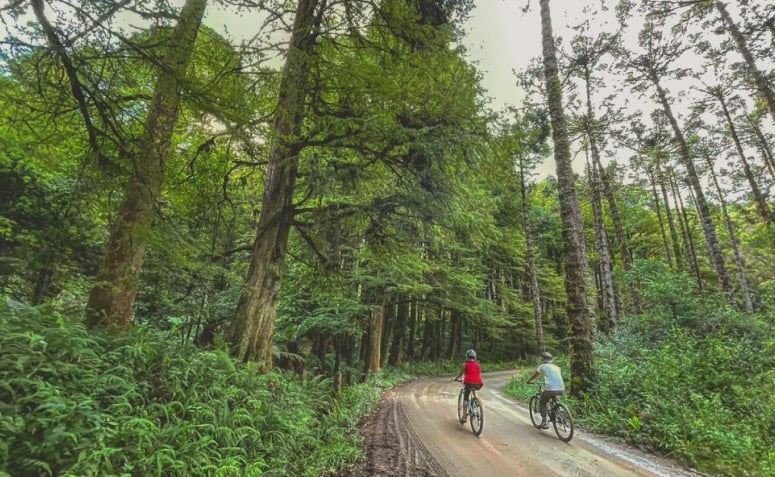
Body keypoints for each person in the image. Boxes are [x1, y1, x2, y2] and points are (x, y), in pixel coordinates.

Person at [526, 351, 565, 429]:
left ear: (543, 359)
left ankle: (544, 422)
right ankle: (559, 411)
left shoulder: (542, 366)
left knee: (542, 402)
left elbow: (534, 375)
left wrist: (529, 381)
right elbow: (554, 377)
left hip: (550, 388)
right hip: (561, 388)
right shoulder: (557, 367)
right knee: (554, 399)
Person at [454, 348, 483, 422]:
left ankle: (464, 417)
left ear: (467, 356)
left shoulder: (465, 364)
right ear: (475, 357)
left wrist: (456, 379)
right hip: (479, 383)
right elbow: (476, 375)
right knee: (474, 389)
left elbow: (461, 374)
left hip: (468, 383)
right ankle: (476, 399)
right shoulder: (478, 365)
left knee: (465, 399)